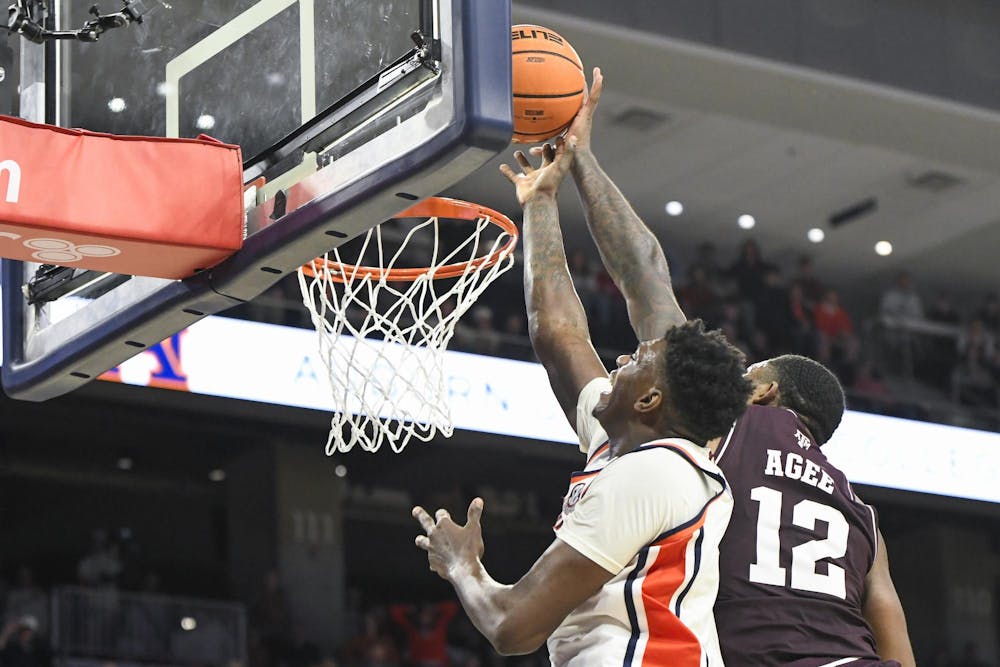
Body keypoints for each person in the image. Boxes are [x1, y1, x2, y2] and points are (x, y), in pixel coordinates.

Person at [556, 67, 915, 666]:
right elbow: (897, 645)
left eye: (746, 375)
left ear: (765, 393)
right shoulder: (863, 516)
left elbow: (645, 276)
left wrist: (580, 159)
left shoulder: (725, 423)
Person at [411, 138, 752, 665]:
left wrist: (463, 565)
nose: (621, 360)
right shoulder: (626, 448)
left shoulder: (654, 473)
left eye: (637, 360)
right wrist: (541, 200)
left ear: (650, 400)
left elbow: (512, 626)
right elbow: (560, 335)